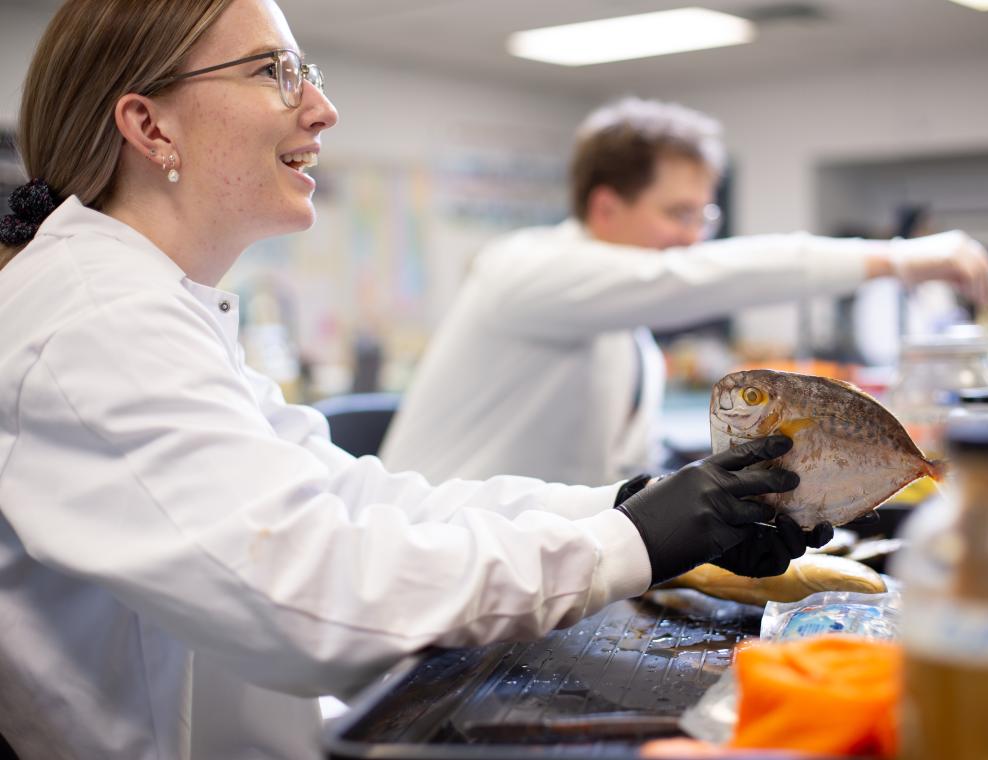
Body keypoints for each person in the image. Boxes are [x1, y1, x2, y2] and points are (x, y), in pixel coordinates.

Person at [0, 3, 832, 758]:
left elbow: (357, 500)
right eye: (271, 71)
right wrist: (632, 542)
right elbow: (307, 595)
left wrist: (629, 506)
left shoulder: (150, 303)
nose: (321, 109)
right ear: (148, 125)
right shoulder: (95, 321)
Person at [380, 97, 988, 486]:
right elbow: (699, 278)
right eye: (678, 214)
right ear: (605, 206)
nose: (692, 240)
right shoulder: (522, 271)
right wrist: (897, 258)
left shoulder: (620, 320)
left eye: (702, 219)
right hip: (432, 573)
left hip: (526, 570)